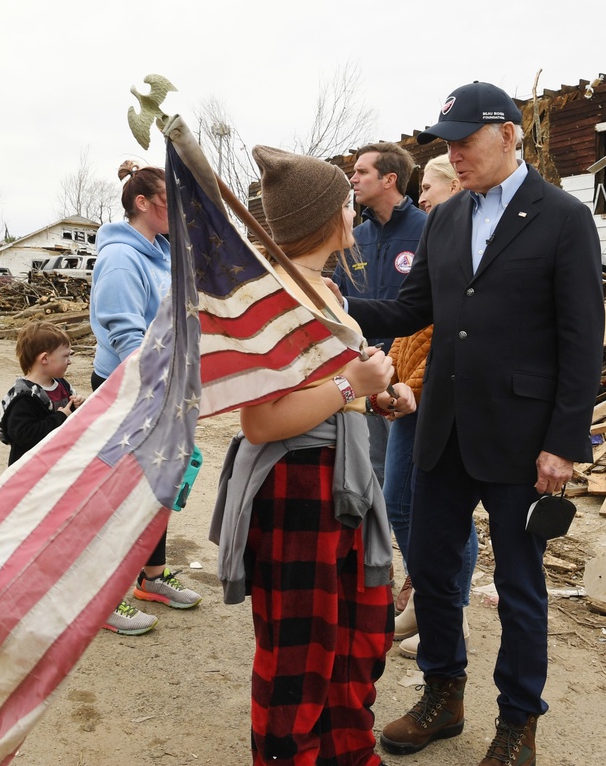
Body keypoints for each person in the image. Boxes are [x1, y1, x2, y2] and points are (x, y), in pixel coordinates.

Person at [347, 81, 605, 764]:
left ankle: (519, 722)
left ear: (509, 136)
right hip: (444, 429)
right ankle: (443, 693)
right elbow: (409, 309)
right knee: (432, 569)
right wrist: (336, 304)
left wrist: (563, 442)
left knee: (520, 586)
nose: (455, 155)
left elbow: (581, 340)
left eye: (466, 142)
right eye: (448, 144)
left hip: (522, 441)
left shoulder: (562, 218)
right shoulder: (447, 219)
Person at [212, 145, 398, 766]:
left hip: (343, 479)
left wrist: (377, 396)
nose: (353, 210)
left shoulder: (326, 292)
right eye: (344, 202)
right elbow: (261, 421)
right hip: (296, 486)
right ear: (329, 218)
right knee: (300, 647)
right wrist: (354, 388)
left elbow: (331, 393)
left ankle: (347, 751)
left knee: (357, 633)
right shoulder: (274, 302)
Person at [89, 161, 201, 635]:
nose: (176, 210)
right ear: (142, 204)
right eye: (168, 201)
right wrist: (152, 384)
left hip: (165, 388)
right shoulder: (120, 257)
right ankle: (101, 597)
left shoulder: (163, 251)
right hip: (128, 389)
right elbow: (123, 329)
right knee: (117, 495)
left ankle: (151, 577)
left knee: (160, 487)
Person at [376, 156, 477, 658]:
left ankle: (443, 609)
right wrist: (391, 375)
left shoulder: (469, 246)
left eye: (430, 187)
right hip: (407, 391)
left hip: (433, 397)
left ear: (456, 184)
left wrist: (408, 385)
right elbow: (410, 321)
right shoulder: (435, 235)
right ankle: (432, 596)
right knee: (399, 500)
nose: (422, 197)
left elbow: (447, 336)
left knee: (445, 509)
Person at [332, 142, 426, 487]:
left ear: (389, 179)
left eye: (362, 172)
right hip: (363, 369)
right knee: (371, 470)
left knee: (413, 476)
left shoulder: (427, 231)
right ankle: (380, 539)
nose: (353, 179)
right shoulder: (354, 238)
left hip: (410, 377)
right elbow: (338, 305)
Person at [0, 321, 84, 465]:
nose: (69, 361)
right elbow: (23, 435)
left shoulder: (62, 385)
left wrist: (77, 405)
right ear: (44, 359)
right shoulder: (24, 396)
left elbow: (70, 416)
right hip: (31, 469)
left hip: (58, 462)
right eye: (65, 356)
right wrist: (60, 417)